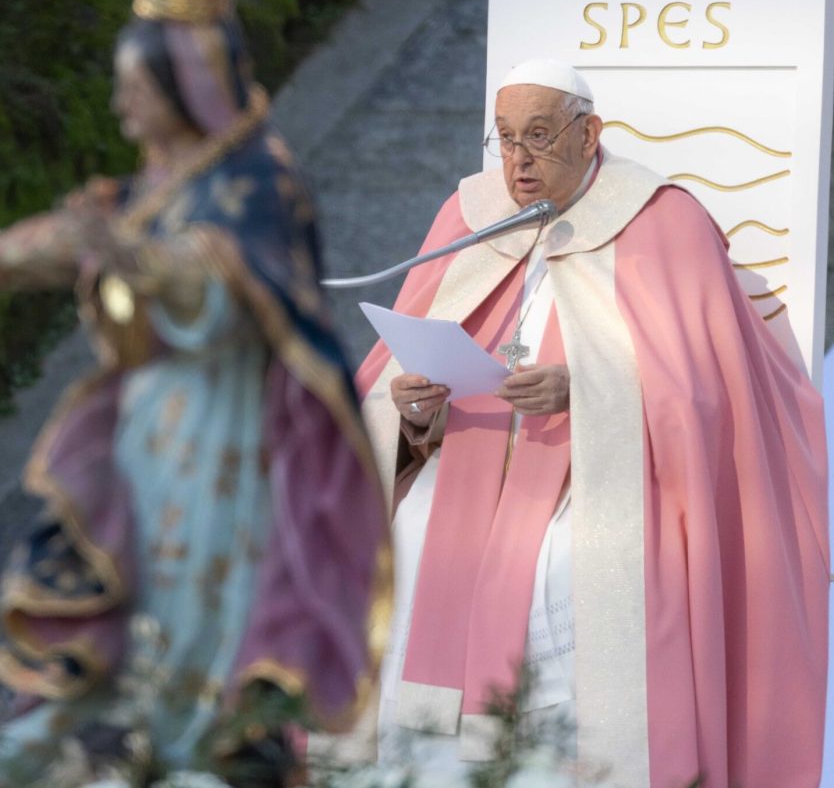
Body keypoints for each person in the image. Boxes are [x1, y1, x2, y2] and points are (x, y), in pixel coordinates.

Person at [0, 0, 389, 788]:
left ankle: (201, 748)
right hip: (149, 422)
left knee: (201, 600)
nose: (119, 110)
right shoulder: (158, 183)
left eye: (131, 91)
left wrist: (136, 262)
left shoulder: (252, 183)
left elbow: (222, 274)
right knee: (131, 591)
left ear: (178, 89)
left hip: (226, 434)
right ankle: (130, 746)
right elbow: (73, 238)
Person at [352, 59, 827, 787]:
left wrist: (585, 389)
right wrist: (418, 415)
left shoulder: (662, 221)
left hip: (600, 473)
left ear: (589, 132)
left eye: (539, 136)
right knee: (410, 537)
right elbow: (398, 369)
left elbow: (705, 393)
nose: (519, 161)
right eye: (505, 138)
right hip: (470, 464)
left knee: (562, 564)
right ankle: (433, 765)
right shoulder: (468, 216)